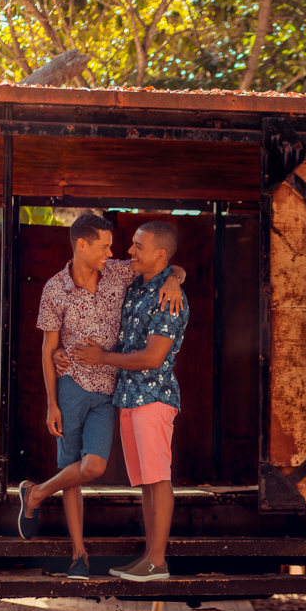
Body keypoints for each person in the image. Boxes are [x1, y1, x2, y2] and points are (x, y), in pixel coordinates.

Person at [18, 213, 183, 580]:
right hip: (71, 386)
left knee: (94, 467)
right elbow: (48, 350)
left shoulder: (120, 274)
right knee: (71, 468)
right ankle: (79, 555)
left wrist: (174, 278)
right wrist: (51, 403)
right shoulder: (55, 289)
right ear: (82, 245)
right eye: (105, 245)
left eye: (115, 245)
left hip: (112, 390)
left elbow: (165, 261)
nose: (115, 252)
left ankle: (35, 494)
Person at [68, 221, 188, 582]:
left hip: (153, 396)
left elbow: (153, 358)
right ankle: (149, 557)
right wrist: (175, 275)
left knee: (158, 479)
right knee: (147, 481)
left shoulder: (168, 299)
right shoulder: (138, 283)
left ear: (159, 255)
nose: (129, 251)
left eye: (138, 246)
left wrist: (101, 358)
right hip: (130, 397)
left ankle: (157, 561)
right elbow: (175, 268)